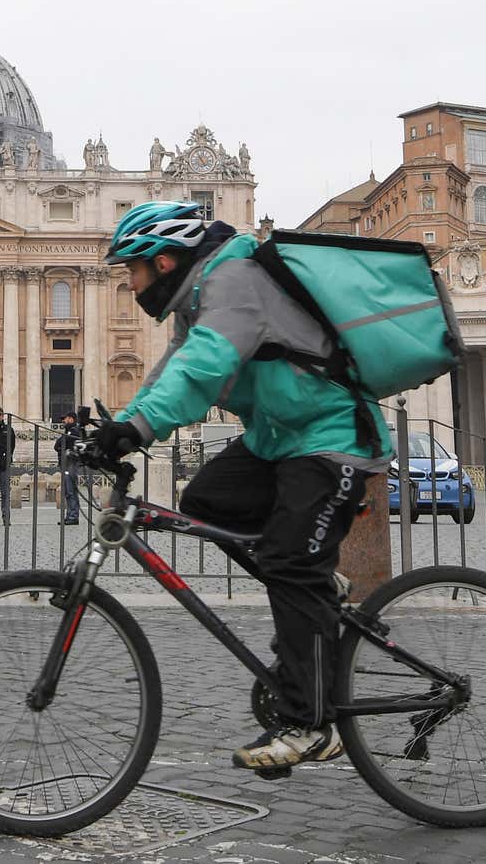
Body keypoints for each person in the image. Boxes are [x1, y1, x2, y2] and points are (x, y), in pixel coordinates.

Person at [92, 200, 392, 772]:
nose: (129, 286)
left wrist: (136, 429)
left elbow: (205, 367)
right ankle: (316, 577)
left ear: (163, 262)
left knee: (286, 560)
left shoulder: (232, 280)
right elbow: (175, 366)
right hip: (279, 435)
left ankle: (310, 725)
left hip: (330, 436)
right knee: (205, 501)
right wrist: (121, 423)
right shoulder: (199, 297)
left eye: (131, 270)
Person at [53, 410, 83, 525]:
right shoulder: (69, 431)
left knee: (71, 491)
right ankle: (70, 515)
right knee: (67, 491)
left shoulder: (74, 431)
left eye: (64, 419)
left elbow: (60, 443)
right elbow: (58, 445)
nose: (63, 421)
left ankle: (73, 516)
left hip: (70, 464)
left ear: (71, 419)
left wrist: (60, 444)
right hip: (66, 464)